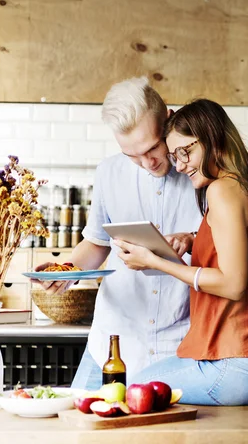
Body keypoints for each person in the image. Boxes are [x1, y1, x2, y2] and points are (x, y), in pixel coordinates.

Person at [113, 99, 248, 406]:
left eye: (184, 152)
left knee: (136, 387)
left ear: (212, 137)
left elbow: (233, 284)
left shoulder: (221, 189)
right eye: (174, 156)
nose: (179, 165)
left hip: (240, 366)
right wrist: (194, 239)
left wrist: (155, 261)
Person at [32, 77, 202, 390]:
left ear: (169, 119)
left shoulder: (201, 173)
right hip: (113, 342)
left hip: (182, 346)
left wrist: (192, 237)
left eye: (153, 147)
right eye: (132, 155)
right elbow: (97, 244)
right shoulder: (109, 172)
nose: (147, 162)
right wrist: (67, 272)